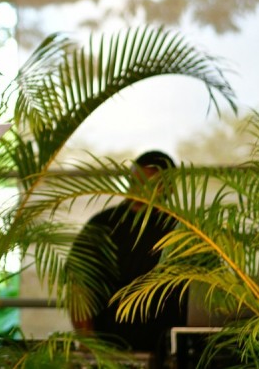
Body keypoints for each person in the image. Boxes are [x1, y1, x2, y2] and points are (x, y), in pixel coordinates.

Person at [67, 150, 186, 366]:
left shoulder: (183, 229)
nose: (139, 189)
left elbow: (205, 292)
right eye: (134, 181)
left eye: (149, 184)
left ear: (168, 187)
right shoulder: (103, 225)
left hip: (171, 351)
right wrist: (88, 342)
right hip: (110, 350)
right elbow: (78, 286)